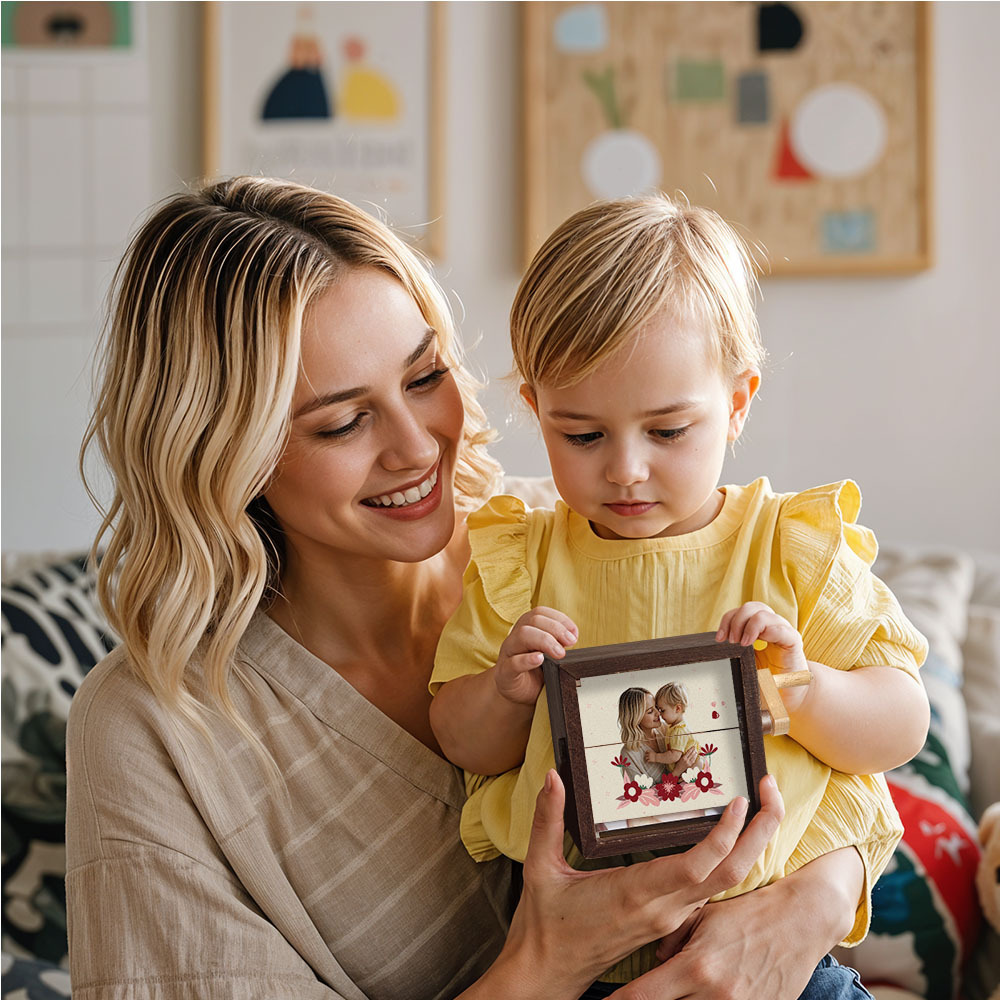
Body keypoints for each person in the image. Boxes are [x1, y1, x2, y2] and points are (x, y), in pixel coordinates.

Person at [64, 176, 812, 1000]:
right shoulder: (152, 731)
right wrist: (548, 962)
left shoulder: (572, 535)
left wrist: (809, 907)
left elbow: (832, 754)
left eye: (424, 377)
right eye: (343, 423)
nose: (418, 448)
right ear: (221, 453)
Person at [428, 195, 931, 993]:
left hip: (783, 963)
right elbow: (461, 741)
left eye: (667, 431)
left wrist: (801, 691)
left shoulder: (791, 546)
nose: (626, 468)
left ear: (736, 404)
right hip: (587, 967)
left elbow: (901, 722)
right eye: (582, 435)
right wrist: (504, 692)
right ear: (536, 411)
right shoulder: (519, 559)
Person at [648, 682, 701, 773]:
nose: (659, 714)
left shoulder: (679, 731)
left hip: (692, 773)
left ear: (677, 709)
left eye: (662, 710)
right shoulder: (673, 727)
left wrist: (656, 757)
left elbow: (674, 756)